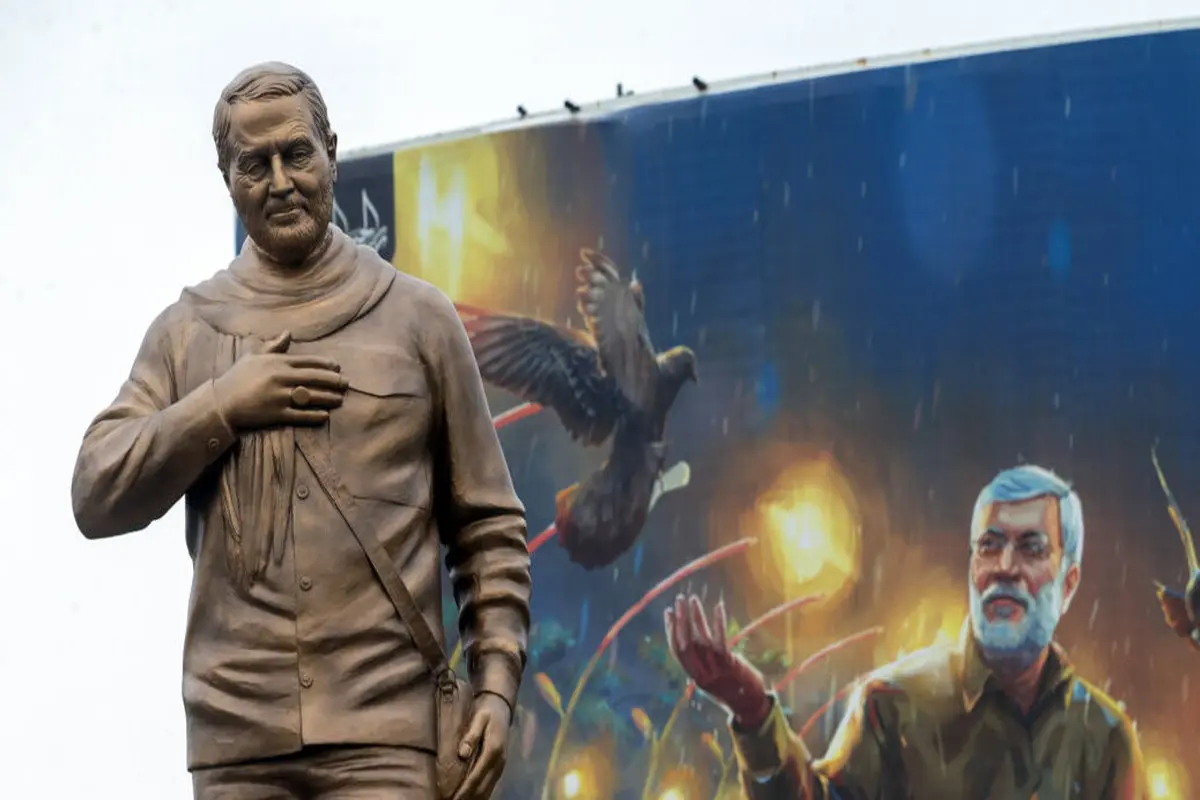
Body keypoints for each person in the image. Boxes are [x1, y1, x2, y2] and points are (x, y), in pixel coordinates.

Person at [70, 62, 531, 800]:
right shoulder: (187, 332)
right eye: (254, 165)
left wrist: (497, 686)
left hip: (388, 735)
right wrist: (223, 405)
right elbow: (96, 493)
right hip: (236, 738)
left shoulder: (419, 319)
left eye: (297, 154)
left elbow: (488, 529)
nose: (281, 182)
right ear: (227, 180)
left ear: (332, 153)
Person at [666, 465, 1148, 799]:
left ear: (1069, 583)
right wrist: (754, 714)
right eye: (989, 545)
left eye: (1031, 548)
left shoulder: (1106, 738)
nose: (1004, 567)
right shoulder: (891, 705)